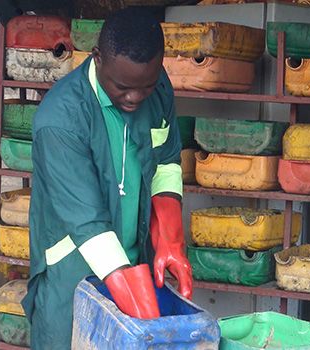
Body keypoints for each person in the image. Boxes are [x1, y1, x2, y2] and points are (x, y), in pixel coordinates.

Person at [21, 8, 193, 349]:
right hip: (72, 274)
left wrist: (170, 237)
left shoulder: (156, 89)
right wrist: (138, 303)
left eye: (146, 86)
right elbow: (87, 222)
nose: (135, 98)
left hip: (135, 259)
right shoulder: (60, 119)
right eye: (123, 87)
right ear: (98, 59)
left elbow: (167, 163)